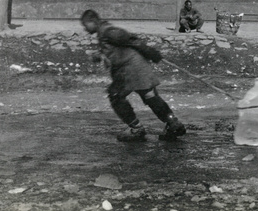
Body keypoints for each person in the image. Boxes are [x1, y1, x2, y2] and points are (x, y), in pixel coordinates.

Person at [80, 9, 186, 142]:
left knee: (116, 96)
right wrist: (101, 55)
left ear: (93, 21)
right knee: (150, 96)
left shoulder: (107, 31)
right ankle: (173, 123)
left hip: (130, 70)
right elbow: (119, 47)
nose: (85, 29)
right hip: (138, 67)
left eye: (85, 25)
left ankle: (136, 129)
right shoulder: (104, 32)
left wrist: (149, 51)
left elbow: (127, 38)